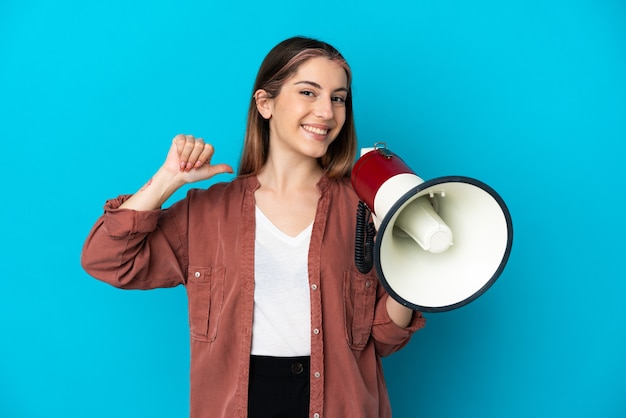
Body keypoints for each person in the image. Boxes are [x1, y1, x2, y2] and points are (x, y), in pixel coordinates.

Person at [81, 36, 426, 418]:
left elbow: (384, 339)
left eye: (338, 97)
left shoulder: (364, 208)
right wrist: (166, 181)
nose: (326, 112)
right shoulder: (207, 213)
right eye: (308, 92)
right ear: (265, 103)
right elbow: (107, 259)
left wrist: (406, 271)